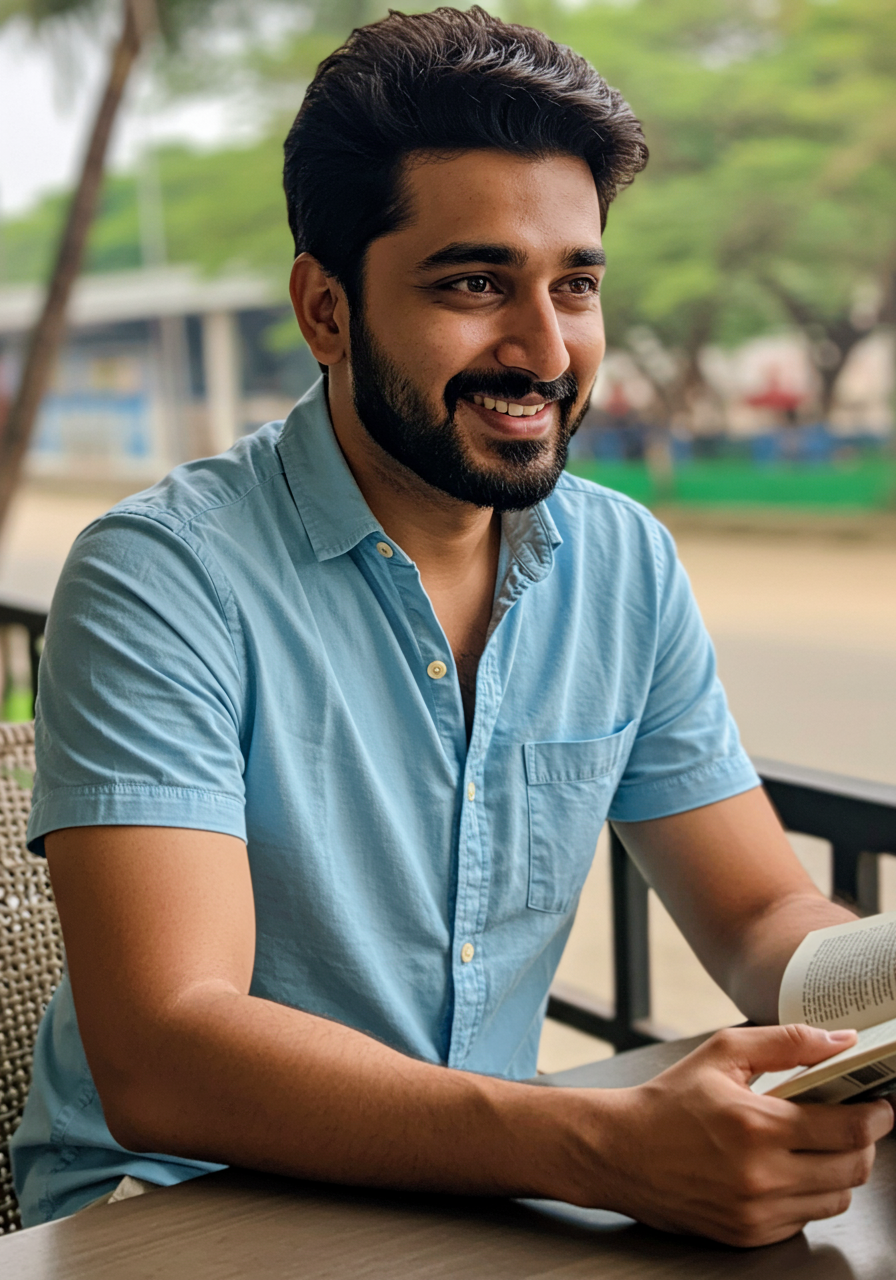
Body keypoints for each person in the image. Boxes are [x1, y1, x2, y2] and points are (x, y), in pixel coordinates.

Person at [12, 5, 891, 1247]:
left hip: (488, 1191)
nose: (544, 349)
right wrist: (599, 1144)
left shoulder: (621, 558)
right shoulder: (161, 577)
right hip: (165, 1208)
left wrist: (881, 982)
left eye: (574, 284)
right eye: (475, 283)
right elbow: (168, 1048)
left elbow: (760, 920)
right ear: (325, 310)